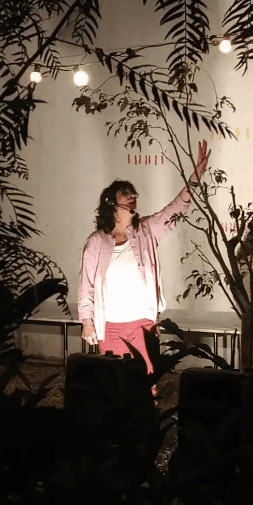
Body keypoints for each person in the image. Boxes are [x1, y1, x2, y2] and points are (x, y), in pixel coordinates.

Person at [78, 140, 211, 380]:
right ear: (111, 202)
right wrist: (87, 321)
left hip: (143, 325)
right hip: (111, 327)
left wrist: (194, 179)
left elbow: (174, 210)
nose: (132, 196)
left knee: (146, 385)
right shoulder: (96, 242)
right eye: (125, 193)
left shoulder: (146, 230)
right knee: (116, 385)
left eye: (133, 193)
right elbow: (86, 286)